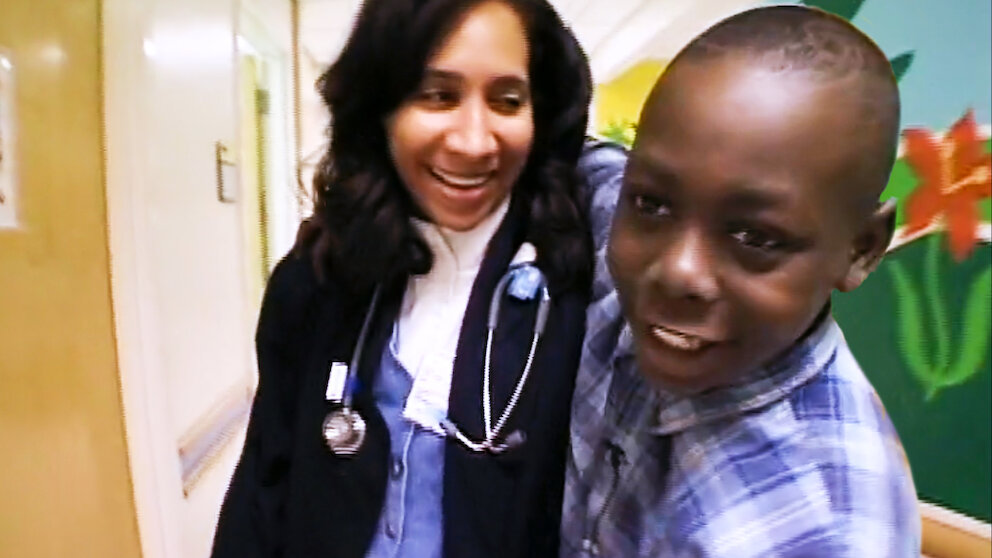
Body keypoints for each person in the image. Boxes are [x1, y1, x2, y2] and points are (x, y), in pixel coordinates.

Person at [210, 1, 623, 557]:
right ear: (380, 108)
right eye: (438, 95)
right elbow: (262, 493)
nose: (474, 142)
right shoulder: (314, 282)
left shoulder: (580, 295)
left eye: (507, 101)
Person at [560, 6, 921, 557]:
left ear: (861, 249)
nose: (679, 270)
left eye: (755, 237)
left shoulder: (814, 535)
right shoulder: (612, 215)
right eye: (654, 204)